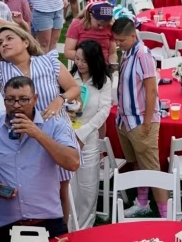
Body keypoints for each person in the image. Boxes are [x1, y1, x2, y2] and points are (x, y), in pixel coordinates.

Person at [0, 76, 80, 240]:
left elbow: (73, 163)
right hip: (4, 223)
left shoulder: (54, 125)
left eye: (23, 100)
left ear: (35, 99)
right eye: (10, 100)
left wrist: (37, 133)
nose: (16, 106)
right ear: (3, 99)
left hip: (47, 221)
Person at [111, 18, 169, 219]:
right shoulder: (127, 53)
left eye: (121, 40)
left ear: (133, 36)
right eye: (116, 40)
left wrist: (146, 123)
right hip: (125, 120)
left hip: (140, 121)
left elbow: (151, 89)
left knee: (152, 170)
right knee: (135, 162)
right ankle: (142, 202)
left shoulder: (143, 55)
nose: (118, 44)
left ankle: (166, 216)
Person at [68, 40, 113, 230]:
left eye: (84, 60)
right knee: (70, 187)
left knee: (88, 187)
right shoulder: (69, 79)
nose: (79, 64)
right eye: (77, 59)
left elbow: (103, 111)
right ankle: (70, 225)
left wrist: (83, 134)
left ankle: (85, 227)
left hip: (89, 139)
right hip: (68, 137)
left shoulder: (104, 82)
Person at [63, 0, 116, 67]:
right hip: (82, 66)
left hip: (103, 68)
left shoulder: (110, 27)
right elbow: (68, 51)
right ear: (90, 15)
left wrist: (112, 64)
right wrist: (89, 60)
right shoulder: (77, 25)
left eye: (105, 25)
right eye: (99, 24)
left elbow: (112, 53)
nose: (102, 27)